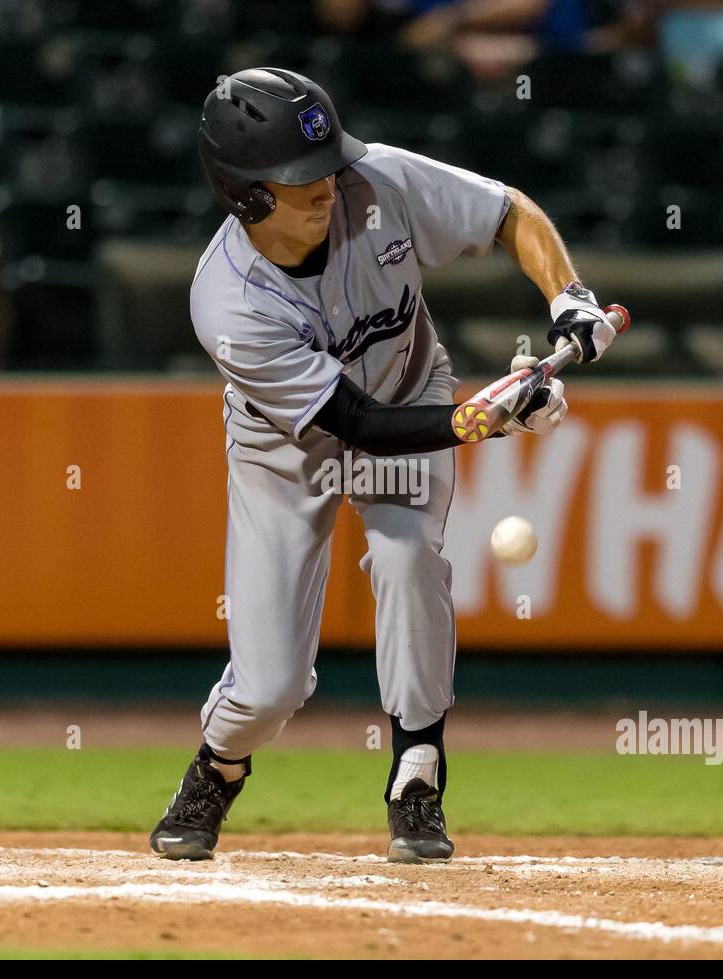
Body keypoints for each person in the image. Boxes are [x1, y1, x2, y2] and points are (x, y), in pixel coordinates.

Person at [150, 67, 616, 864]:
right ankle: (219, 766)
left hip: (411, 387)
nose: (328, 183)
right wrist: (486, 420)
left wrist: (568, 296)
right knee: (269, 688)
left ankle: (417, 772)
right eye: (301, 179)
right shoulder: (228, 301)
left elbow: (510, 213)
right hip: (285, 450)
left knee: (407, 561)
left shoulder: (378, 183)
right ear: (247, 194)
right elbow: (357, 426)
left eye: (328, 162)